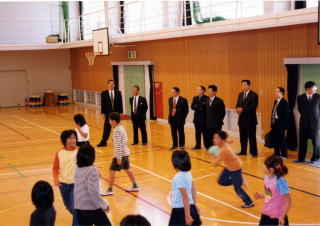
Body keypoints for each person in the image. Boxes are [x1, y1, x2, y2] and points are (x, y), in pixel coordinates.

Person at [211, 131, 254, 208]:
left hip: (236, 169)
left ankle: (249, 202)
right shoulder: (224, 143)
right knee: (221, 181)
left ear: (222, 140)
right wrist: (227, 140)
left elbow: (215, 164)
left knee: (237, 189)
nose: (214, 139)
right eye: (214, 137)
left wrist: (212, 155)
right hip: (229, 167)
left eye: (217, 138)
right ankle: (238, 181)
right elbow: (231, 140)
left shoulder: (223, 150)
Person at [101, 112, 139, 196]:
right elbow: (125, 140)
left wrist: (119, 157)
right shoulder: (121, 128)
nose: (109, 122)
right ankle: (135, 185)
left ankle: (109, 189)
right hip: (125, 153)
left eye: (110, 120)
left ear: (114, 121)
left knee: (112, 170)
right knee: (127, 169)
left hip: (120, 154)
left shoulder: (116, 131)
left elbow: (118, 145)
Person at [74, 144, 111, 226]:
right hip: (92, 208)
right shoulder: (93, 170)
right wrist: (104, 205)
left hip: (79, 208)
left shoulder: (77, 169)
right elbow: (93, 192)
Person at [254, 155, 291, 226]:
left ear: (271, 169)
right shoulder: (266, 178)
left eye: (264, 164)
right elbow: (269, 195)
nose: (263, 165)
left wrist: (282, 217)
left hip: (277, 217)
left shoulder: (280, 182)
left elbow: (288, 201)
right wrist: (261, 196)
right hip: (266, 213)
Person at [52, 130, 79, 226]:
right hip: (63, 184)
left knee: (75, 209)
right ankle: (83, 220)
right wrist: (55, 179)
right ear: (65, 140)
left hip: (76, 184)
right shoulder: (59, 153)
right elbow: (55, 169)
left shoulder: (79, 151)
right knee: (69, 207)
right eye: (70, 138)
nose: (73, 140)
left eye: (74, 138)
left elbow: (87, 164)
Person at [169, 150, 201, 226]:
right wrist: (194, 204)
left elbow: (185, 198)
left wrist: (187, 216)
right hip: (190, 207)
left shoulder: (178, 177)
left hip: (180, 210)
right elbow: (193, 188)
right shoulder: (188, 173)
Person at [296, 81, 320, 163]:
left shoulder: (318, 97)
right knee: (302, 141)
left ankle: (315, 158)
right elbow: (300, 109)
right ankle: (301, 158)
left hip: (315, 123)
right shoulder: (300, 97)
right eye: (314, 87)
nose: (315, 89)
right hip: (304, 123)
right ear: (308, 89)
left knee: (316, 142)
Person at [236, 80, 259, 157]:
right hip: (241, 119)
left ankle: (254, 152)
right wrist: (237, 109)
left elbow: (253, 107)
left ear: (249, 85)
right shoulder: (240, 94)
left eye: (245, 85)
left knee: (252, 137)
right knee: (242, 137)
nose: (243, 86)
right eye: (242, 85)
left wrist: (242, 109)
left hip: (250, 120)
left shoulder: (254, 95)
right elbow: (237, 105)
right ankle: (243, 151)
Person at [97, 79, 123, 147]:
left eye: (113, 84)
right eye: (110, 83)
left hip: (116, 113)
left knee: (117, 128)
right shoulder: (104, 93)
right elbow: (103, 104)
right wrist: (102, 113)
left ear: (114, 85)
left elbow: (120, 103)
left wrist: (121, 112)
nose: (111, 85)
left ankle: (118, 141)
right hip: (108, 113)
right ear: (108, 85)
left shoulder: (118, 92)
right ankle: (103, 142)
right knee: (106, 128)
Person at [270, 87, 290, 158]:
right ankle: (276, 153)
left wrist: (283, 125)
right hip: (275, 123)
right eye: (275, 91)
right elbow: (273, 113)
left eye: (277, 91)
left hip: (281, 124)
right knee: (275, 139)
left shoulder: (285, 102)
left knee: (281, 139)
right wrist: (272, 123)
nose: (275, 93)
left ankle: (284, 154)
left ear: (281, 93)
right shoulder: (276, 101)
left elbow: (286, 115)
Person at [191, 86, 209, 150]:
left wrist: (198, 106)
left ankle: (207, 146)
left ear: (202, 91)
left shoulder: (207, 98)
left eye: (198, 90)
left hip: (204, 119)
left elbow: (205, 108)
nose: (196, 91)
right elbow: (192, 107)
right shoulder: (195, 98)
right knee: (197, 132)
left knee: (205, 133)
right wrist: (199, 107)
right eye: (196, 90)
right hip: (196, 118)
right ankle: (197, 145)